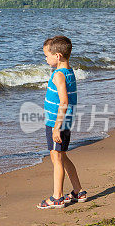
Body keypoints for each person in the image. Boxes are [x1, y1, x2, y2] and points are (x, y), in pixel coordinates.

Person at [37, 35, 87, 209]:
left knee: (56, 158)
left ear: (57, 56)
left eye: (47, 55)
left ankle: (57, 197)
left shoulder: (58, 75)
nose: (45, 59)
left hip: (58, 123)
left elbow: (64, 101)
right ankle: (78, 191)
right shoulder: (69, 71)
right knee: (62, 156)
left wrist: (57, 127)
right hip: (62, 122)